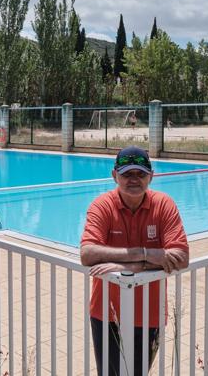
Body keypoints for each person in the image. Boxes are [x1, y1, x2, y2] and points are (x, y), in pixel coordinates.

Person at [80, 146, 189, 376]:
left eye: (140, 174)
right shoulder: (102, 206)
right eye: (127, 174)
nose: (134, 180)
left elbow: (181, 256)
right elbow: (88, 254)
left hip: (150, 313)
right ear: (114, 175)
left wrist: (128, 267)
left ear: (151, 175)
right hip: (106, 313)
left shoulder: (164, 205)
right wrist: (147, 253)